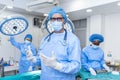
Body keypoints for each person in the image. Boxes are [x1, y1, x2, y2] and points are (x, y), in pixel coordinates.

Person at [38, 6, 81, 80]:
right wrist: (33, 59)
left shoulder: (73, 39)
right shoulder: (45, 39)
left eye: (59, 19)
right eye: (53, 19)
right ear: (50, 21)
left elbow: (76, 66)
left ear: (64, 20)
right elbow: (42, 60)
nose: (56, 21)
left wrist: (57, 66)